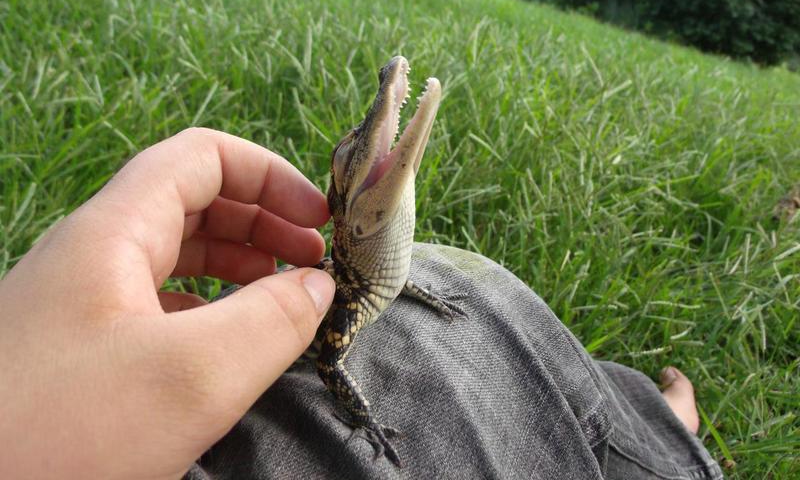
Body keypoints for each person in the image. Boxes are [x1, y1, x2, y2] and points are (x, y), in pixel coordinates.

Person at [0, 129, 722, 479]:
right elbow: (332, 366)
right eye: (352, 153)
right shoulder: (325, 298)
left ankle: (633, 426)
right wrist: (367, 427)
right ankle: (650, 440)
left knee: (449, 292)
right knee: (473, 311)